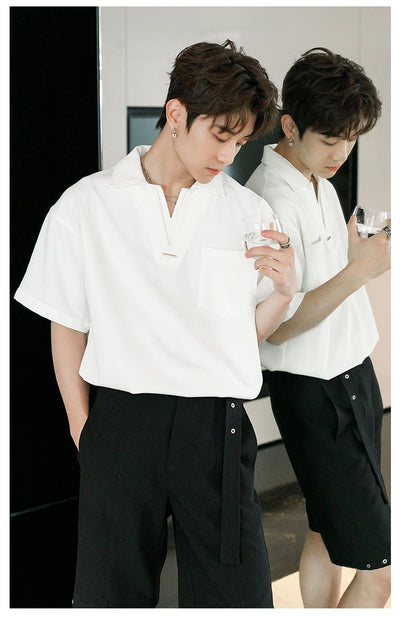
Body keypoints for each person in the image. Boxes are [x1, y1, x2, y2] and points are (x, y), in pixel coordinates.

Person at [14, 40, 296, 608]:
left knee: (237, 599)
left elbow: (242, 334)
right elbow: (67, 323)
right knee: (110, 597)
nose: (227, 155)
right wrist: (82, 426)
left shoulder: (248, 212)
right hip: (122, 425)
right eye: (221, 135)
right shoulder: (85, 205)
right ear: (176, 113)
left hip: (215, 428)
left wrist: (285, 291)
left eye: (240, 142)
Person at [246, 47, 391, 608]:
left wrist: (352, 261)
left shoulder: (320, 182)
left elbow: (322, 287)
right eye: (330, 139)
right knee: (380, 571)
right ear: (290, 126)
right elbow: (278, 328)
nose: (341, 153)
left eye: (351, 139)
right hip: (316, 392)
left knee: (324, 531)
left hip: (352, 375)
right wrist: (359, 272)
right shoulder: (266, 199)